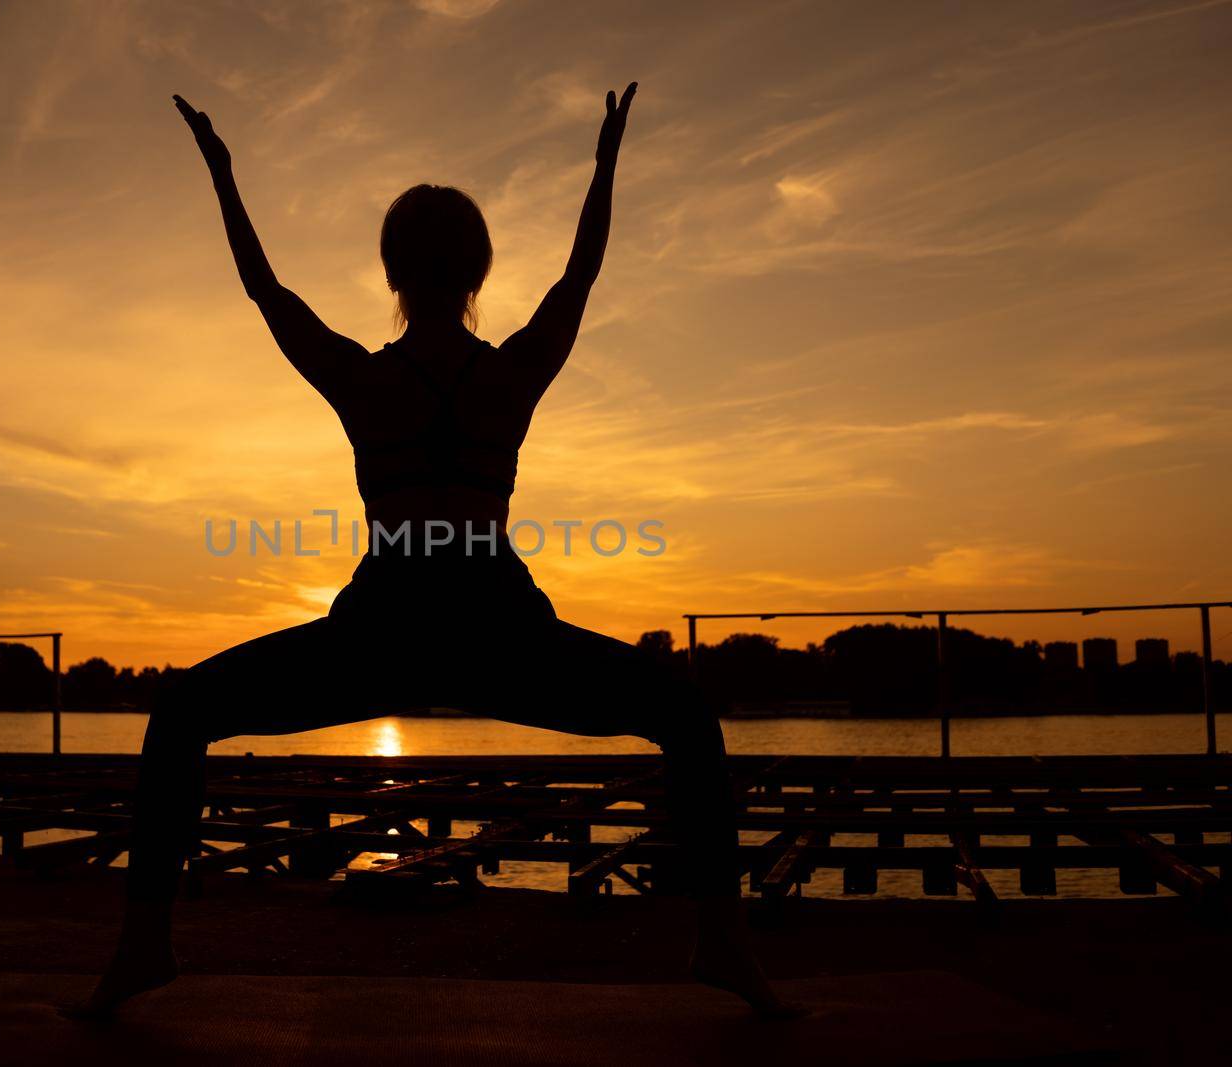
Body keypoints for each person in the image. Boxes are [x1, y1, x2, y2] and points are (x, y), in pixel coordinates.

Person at [73, 84, 797, 1020]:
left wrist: (223, 172)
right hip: (500, 631)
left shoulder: (367, 382)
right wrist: (605, 163)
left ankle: (143, 944)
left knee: (179, 715)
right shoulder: (507, 376)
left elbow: (266, 291)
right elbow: (581, 276)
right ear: (478, 272)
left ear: (391, 273)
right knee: (688, 721)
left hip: (385, 630)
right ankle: (724, 943)